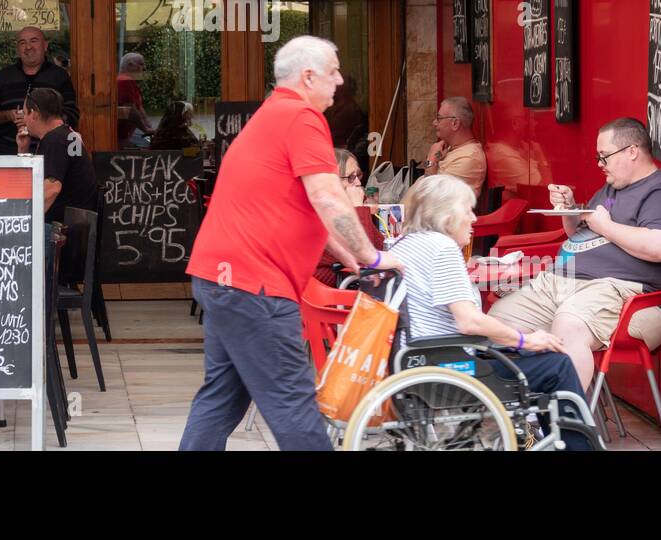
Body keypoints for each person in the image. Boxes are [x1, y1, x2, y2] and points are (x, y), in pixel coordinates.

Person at [179, 35, 404, 452]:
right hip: (255, 285)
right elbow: (326, 197)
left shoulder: (274, 114)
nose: (340, 81)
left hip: (221, 277)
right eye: (334, 71)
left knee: (222, 398)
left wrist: (351, 259)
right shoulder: (301, 117)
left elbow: (307, 209)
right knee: (292, 401)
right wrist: (371, 255)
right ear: (308, 76)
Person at [390, 173, 595, 450]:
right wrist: (526, 340)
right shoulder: (442, 248)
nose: (474, 219)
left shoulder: (404, 244)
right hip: (449, 369)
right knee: (556, 364)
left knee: (532, 355)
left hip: (413, 361)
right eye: (468, 210)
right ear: (447, 215)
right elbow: (468, 321)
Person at [490, 117, 661, 389]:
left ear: (632, 151)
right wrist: (570, 209)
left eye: (604, 156)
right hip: (562, 282)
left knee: (570, 326)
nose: (600, 164)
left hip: (623, 291)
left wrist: (606, 225)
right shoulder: (611, 188)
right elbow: (581, 235)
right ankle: (530, 409)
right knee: (499, 321)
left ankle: (569, 422)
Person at [0, 26, 79, 153]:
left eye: (34, 41)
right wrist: (8, 115)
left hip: (51, 154)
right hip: (10, 155)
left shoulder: (59, 76)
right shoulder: (4, 76)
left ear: (45, 46)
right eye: (22, 43)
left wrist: (39, 119)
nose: (28, 47)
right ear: (18, 49)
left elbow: (72, 115)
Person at [16, 87, 99, 224]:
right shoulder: (68, 134)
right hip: (79, 226)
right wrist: (23, 150)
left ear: (34, 113)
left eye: (24, 114)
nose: (24, 119)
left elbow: (52, 189)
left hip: (63, 230)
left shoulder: (54, 141)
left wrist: (23, 222)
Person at [313, 148, 384, 287]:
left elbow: (380, 249)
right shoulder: (320, 216)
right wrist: (358, 208)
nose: (358, 183)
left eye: (358, 175)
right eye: (351, 177)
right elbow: (364, 261)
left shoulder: (343, 212)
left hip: (349, 290)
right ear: (331, 181)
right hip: (330, 299)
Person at [425, 96, 487, 200]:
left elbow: (430, 197)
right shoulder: (449, 148)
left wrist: (431, 159)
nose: (434, 122)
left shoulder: (469, 158)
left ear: (455, 123)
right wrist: (435, 157)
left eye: (439, 118)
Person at [116, 51, 153, 147]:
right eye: (140, 64)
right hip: (119, 137)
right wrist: (146, 129)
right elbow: (131, 110)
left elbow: (139, 108)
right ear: (130, 65)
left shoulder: (130, 82)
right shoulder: (123, 81)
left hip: (125, 136)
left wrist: (148, 126)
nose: (143, 68)